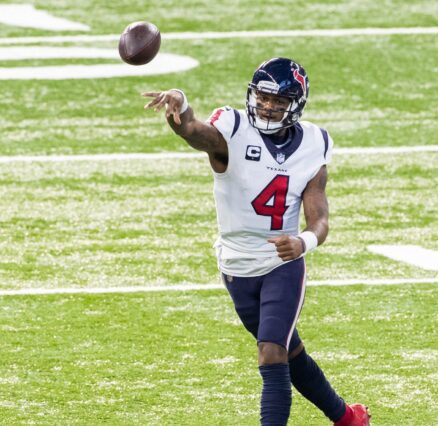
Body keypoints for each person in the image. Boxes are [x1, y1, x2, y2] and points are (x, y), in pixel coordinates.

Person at [142, 58, 370, 426]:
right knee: (290, 353)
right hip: (235, 262)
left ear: (296, 104)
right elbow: (195, 132)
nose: (268, 106)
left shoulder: (314, 142)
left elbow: (320, 218)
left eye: (279, 101)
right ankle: (346, 417)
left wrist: (304, 242)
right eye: (263, 97)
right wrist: (181, 105)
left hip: (281, 263)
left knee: (271, 353)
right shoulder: (232, 127)